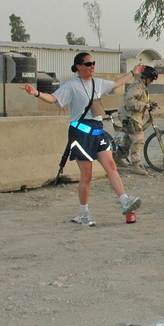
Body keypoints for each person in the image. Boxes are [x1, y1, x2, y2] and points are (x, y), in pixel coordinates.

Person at [22, 55, 143, 226]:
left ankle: (125, 200)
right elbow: (53, 99)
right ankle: (83, 213)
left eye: (93, 63)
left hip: (98, 132)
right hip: (81, 133)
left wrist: (133, 72)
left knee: (111, 166)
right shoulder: (72, 86)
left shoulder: (98, 83)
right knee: (87, 175)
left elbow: (116, 83)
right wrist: (36, 93)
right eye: (88, 64)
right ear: (78, 66)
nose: (92, 66)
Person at [118, 64, 159, 176]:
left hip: (133, 115)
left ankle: (117, 158)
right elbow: (130, 102)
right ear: (146, 78)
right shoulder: (136, 87)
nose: (151, 82)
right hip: (129, 115)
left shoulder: (143, 88)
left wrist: (150, 104)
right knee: (138, 138)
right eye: (151, 79)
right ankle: (135, 165)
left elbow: (142, 100)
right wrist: (145, 105)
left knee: (128, 139)